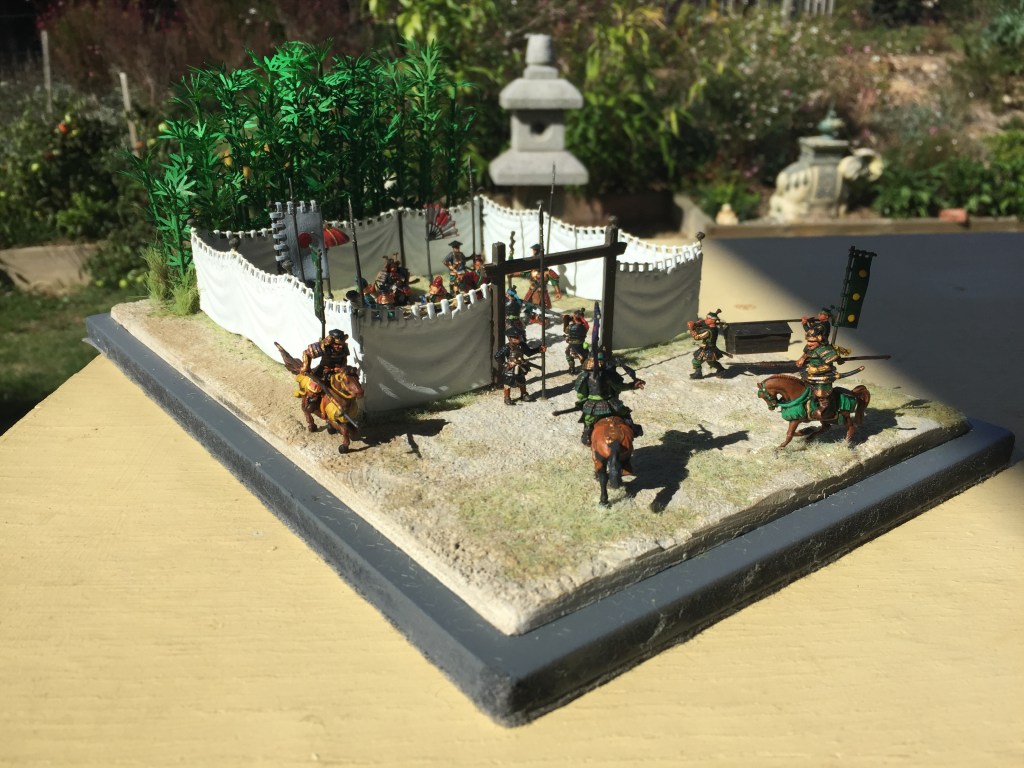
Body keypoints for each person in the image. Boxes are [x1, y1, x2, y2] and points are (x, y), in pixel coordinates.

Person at [574, 348, 645, 445]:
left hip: (592, 406)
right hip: (611, 403)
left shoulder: (583, 376)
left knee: (588, 419)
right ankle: (632, 428)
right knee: (625, 413)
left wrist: (584, 401)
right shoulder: (609, 375)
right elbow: (619, 387)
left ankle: (587, 434)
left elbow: (581, 394)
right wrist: (632, 386)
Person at [796, 326, 845, 420]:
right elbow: (807, 353)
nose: (809, 343)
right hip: (811, 374)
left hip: (823, 375)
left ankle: (823, 407)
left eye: (812, 341)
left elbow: (828, 366)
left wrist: (815, 370)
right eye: (808, 341)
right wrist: (802, 359)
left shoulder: (825, 350)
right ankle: (808, 402)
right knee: (804, 386)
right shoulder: (809, 347)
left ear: (819, 340)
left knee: (820, 393)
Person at [300, 329, 351, 412]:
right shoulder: (323, 346)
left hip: (338, 371)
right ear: (330, 342)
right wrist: (306, 366)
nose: (340, 346)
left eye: (341, 344)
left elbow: (344, 358)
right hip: (323, 370)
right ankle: (311, 402)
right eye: (337, 344)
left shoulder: (344, 347)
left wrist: (342, 367)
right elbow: (307, 353)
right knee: (315, 387)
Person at [494, 334, 545, 405]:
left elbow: (529, 353)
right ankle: (507, 397)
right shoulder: (506, 347)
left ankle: (524, 395)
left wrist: (538, 349)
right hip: (510, 369)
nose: (518, 338)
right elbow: (497, 356)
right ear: (510, 338)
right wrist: (506, 364)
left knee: (522, 381)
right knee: (508, 383)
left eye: (519, 337)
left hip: (520, 367)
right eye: (516, 337)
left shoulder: (522, 345)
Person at [688, 310, 725, 379]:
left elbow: (697, 337)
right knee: (697, 361)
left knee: (710, 362)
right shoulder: (713, 327)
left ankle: (721, 369)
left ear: (713, 320)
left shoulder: (709, 331)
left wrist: (691, 329)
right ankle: (698, 373)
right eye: (706, 317)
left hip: (709, 349)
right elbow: (703, 324)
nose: (706, 319)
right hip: (706, 348)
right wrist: (697, 323)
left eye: (708, 318)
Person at [562, 308, 589, 374]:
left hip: (572, 346)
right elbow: (585, 325)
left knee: (568, 354)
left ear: (574, 318)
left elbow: (565, 331)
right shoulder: (585, 327)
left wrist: (566, 321)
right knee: (584, 356)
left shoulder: (570, 327)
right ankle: (584, 368)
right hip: (581, 345)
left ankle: (572, 368)